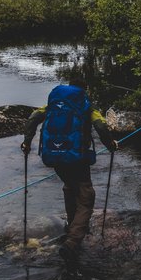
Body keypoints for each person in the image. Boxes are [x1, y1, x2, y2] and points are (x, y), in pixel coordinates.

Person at [20, 78, 117, 263]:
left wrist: (27, 142)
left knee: (70, 186)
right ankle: (72, 242)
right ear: (84, 88)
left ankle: (71, 224)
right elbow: (100, 126)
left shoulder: (54, 103)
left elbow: (33, 118)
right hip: (77, 158)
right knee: (86, 196)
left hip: (54, 157)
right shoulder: (86, 105)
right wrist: (111, 144)